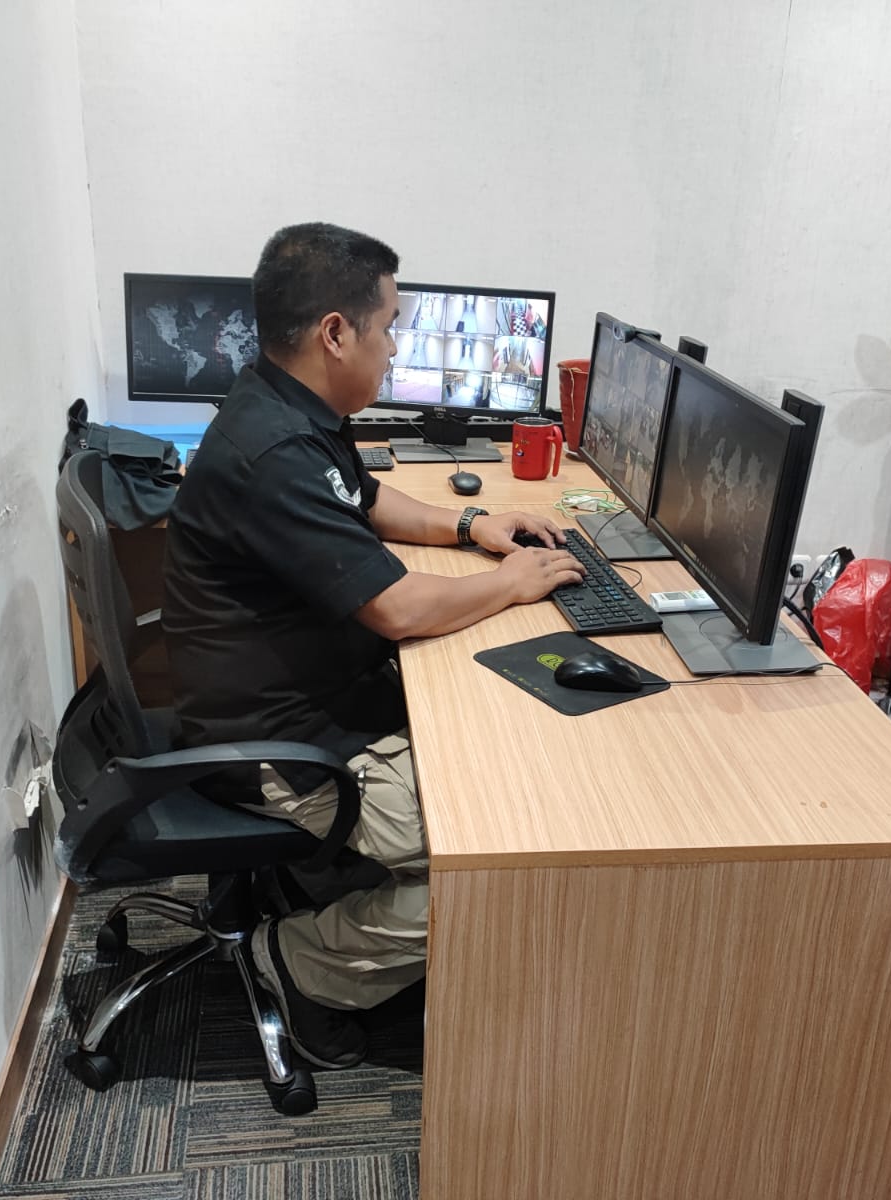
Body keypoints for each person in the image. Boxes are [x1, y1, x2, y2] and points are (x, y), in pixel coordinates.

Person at [159, 222, 585, 1070]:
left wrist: (470, 524)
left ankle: (334, 904)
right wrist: (514, 582)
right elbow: (395, 609)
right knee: (502, 853)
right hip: (281, 745)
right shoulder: (273, 452)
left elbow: (367, 500)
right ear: (335, 333)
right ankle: (296, 965)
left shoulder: (286, 404)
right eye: (388, 327)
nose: (394, 349)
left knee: (507, 758)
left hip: (309, 695)